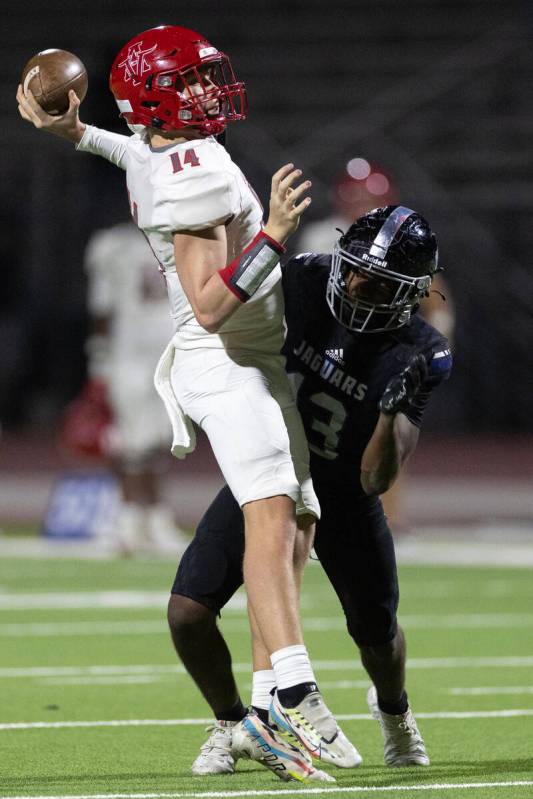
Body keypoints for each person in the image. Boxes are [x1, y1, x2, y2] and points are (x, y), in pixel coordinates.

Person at [17, 24, 357, 783]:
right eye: (189, 82)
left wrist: (73, 130)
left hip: (247, 361)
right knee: (270, 520)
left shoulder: (156, 147)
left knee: (296, 522)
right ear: (155, 99)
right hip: (227, 357)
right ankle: (296, 687)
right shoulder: (195, 172)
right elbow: (208, 304)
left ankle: (266, 706)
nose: (207, 90)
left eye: (206, 76)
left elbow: (132, 151)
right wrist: (270, 234)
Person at [166, 206, 452, 775]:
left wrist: (391, 413)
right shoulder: (302, 281)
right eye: (353, 270)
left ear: (409, 293)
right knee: (187, 613)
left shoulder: (421, 352)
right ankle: (231, 722)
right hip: (273, 475)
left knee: (377, 635)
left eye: (375, 282)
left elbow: (377, 479)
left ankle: (394, 712)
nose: (353, 284)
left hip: (347, 491)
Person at [298, 160, 455, 527]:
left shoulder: (405, 242)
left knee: (390, 432)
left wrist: (434, 346)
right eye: (354, 195)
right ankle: (315, 512)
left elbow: (436, 298)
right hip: (331, 349)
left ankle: (388, 519)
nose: (360, 203)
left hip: (382, 352)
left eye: (368, 196)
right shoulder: (322, 236)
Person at [63, 220, 190, 554]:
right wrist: (100, 363)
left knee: (160, 442)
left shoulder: (181, 236)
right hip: (129, 355)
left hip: (168, 354)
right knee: (132, 442)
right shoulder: (115, 244)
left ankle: (155, 519)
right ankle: (129, 518)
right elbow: (102, 308)